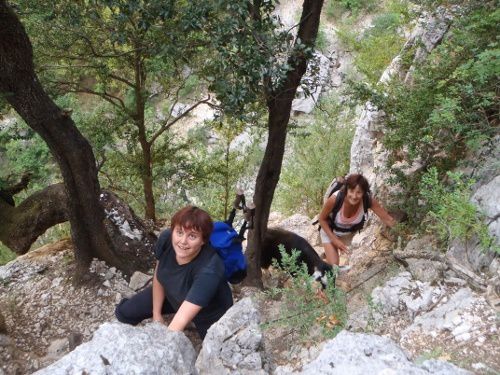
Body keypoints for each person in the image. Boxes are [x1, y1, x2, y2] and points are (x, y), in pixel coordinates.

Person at [115, 206, 233, 339]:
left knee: (215, 347)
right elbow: (160, 275)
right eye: (179, 232)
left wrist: (162, 347)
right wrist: (156, 314)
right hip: (174, 295)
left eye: (192, 236)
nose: (183, 241)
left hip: (208, 312)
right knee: (125, 312)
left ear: (203, 241)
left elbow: (180, 320)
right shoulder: (166, 239)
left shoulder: (209, 269)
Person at [318, 173, 396, 268]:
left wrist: (403, 233)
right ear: (346, 189)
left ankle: (328, 253)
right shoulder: (335, 199)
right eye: (351, 191)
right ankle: (328, 255)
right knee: (334, 267)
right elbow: (321, 219)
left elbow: (387, 219)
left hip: (347, 234)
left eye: (359, 192)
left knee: (334, 256)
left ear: (364, 193)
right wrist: (335, 240)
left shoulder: (368, 200)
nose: (354, 196)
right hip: (329, 231)